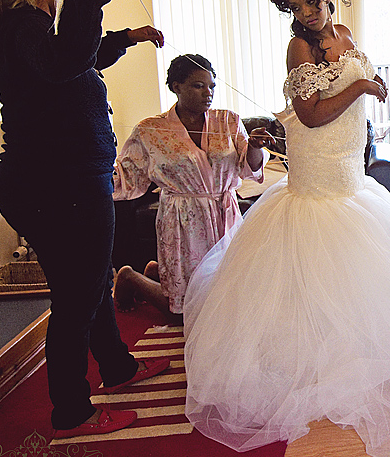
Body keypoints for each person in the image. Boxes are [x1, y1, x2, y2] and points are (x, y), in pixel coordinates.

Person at [182, 0, 390, 457]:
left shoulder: (344, 34)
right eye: (297, 5)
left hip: (351, 171)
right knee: (314, 267)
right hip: (317, 176)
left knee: (371, 274)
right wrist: (362, 88)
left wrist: (372, 84)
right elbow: (308, 113)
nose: (308, 12)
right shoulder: (298, 49)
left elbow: (357, 82)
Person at [0, 0, 170, 439]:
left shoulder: (21, 32)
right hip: (62, 188)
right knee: (77, 298)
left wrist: (127, 37)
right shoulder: (24, 25)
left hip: (48, 185)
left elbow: (79, 55)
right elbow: (69, 56)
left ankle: (116, 368)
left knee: (90, 285)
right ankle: (72, 411)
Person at [112, 54, 276, 322]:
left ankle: (156, 273)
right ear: (176, 86)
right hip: (181, 220)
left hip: (225, 214)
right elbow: (128, 175)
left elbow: (250, 167)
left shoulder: (228, 122)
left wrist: (256, 146)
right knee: (188, 314)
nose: (208, 93)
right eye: (198, 86)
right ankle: (130, 277)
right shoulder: (151, 129)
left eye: (212, 86)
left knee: (225, 299)